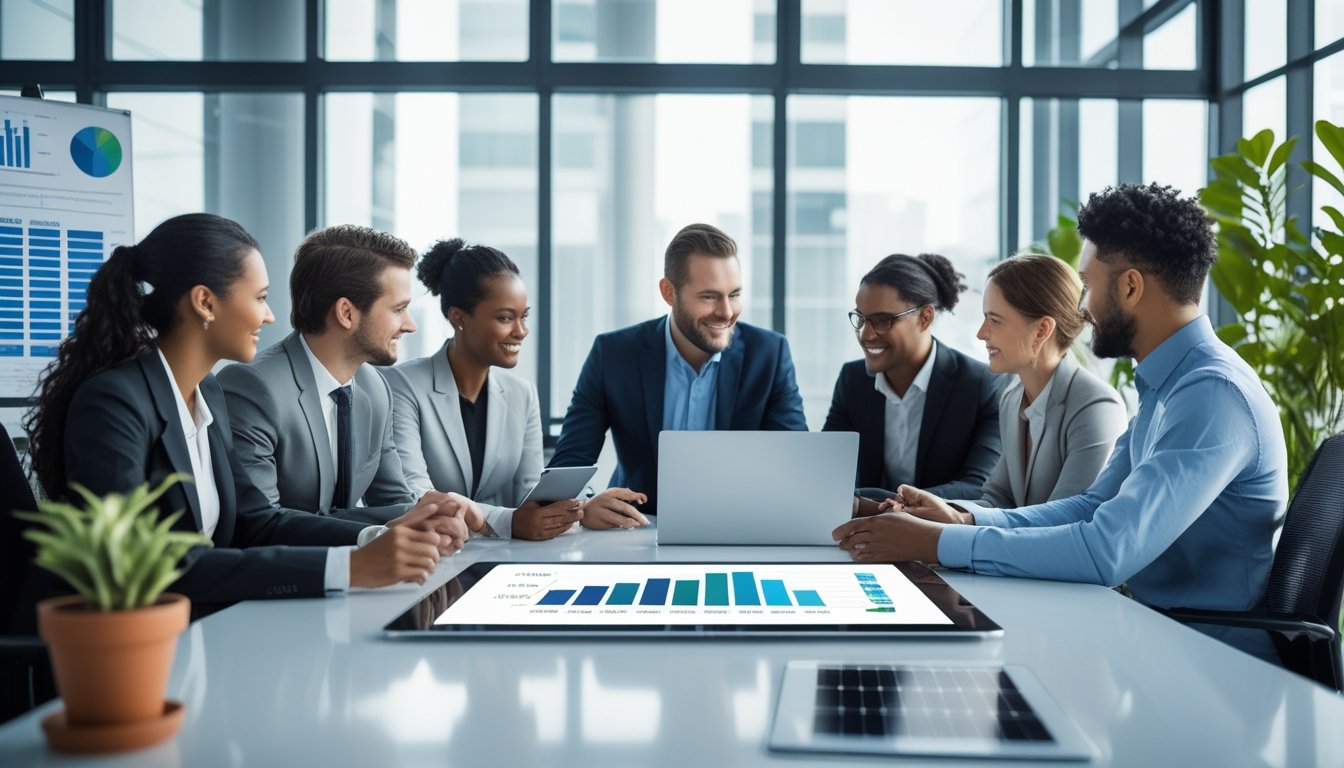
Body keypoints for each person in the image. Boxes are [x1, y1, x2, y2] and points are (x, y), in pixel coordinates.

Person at [832, 183, 1288, 661]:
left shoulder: (1211, 394)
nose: (1082, 308)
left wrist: (941, 542)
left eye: (1088, 285)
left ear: (1130, 287)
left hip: (1209, 661)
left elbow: (1105, 549)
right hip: (1155, 640)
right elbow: (1090, 506)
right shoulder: (1168, 386)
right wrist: (963, 519)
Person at [23, 213, 468, 612]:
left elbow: (260, 522)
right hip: (133, 650)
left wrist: (375, 539)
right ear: (205, 302)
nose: (271, 316)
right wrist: (346, 568)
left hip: (207, 630)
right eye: (259, 297)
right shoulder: (115, 402)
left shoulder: (207, 394)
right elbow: (142, 566)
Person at [549, 223, 807, 521]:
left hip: (740, 525)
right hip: (638, 527)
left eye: (734, 294)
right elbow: (568, 465)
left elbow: (794, 463)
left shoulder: (768, 354)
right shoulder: (614, 354)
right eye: (709, 297)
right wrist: (584, 506)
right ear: (669, 292)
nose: (726, 312)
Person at [216, 225, 469, 527]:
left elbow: (393, 503)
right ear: (346, 313)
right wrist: (373, 536)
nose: (409, 325)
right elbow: (260, 525)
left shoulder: (376, 389)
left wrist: (433, 516)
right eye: (398, 309)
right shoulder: (254, 389)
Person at [384, 238, 583, 541]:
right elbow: (416, 498)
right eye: (505, 318)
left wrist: (582, 509)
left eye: (523, 316)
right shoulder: (403, 387)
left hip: (505, 561)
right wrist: (508, 522)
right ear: (458, 317)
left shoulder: (522, 394)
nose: (521, 331)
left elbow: (530, 497)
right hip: (430, 561)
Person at [948, 253, 1127, 511]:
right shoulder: (1012, 398)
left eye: (994, 320)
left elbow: (1063, 519)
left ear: (1042, 330)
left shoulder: (1097, 407)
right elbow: (998, 499)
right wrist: (935, 511)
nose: (981, 333)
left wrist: (958, 521)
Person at [823, 253, 1003, 503]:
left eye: (883, 321)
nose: (866, 334)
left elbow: (978, 487)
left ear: (925, 317)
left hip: (941, 535)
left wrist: (881, 505)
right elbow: (828, 477)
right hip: (866, 534)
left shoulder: (980, 384)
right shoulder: (852, 381)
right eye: (861, 319)